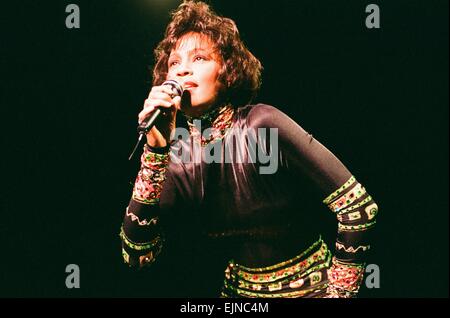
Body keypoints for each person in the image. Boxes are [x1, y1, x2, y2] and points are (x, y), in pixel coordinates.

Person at [120, 0, 379, 298]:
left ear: (227, 71)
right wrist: (155, 152)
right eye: (174, 62)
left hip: (312, 289)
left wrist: (336, 294)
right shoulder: (177, 156)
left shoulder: (262, 123)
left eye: (199, 58)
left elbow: (359, 208)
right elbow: (136, 255)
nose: (182, 71)